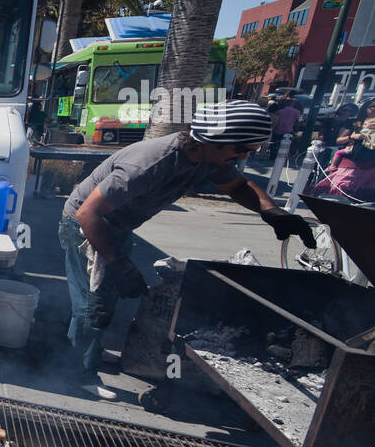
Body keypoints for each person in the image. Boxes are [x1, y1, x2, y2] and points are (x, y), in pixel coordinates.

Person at [60, 100, 316, 379]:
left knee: (105, 300)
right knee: (91, 304)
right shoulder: (151, 164)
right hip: (86, 227)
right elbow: (88, 213)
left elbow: (238, 186)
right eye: (240, 149)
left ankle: (89, 353)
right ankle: (73, 373)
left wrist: (272, 211)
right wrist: (117, 262)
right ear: (213, 140)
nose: (241, 158)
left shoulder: (209, 157)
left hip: (117, 227)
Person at [314, 100, 375, 202]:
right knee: (341, 189)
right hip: (352, 161)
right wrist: (354, 137)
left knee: (362, 196)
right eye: (372, 106)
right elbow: (339, 140)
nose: (374, 109)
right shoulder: (356, 122)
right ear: (365, 108)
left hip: (370, 165)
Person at [269, 91, 301, 160]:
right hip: (288, 130)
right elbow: (297, 122)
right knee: (285, 145)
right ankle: (282, 157)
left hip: (277, 129)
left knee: (274, 143)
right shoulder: (296, 111)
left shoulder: (279, 111)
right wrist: (296, 131)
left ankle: (272, 156)